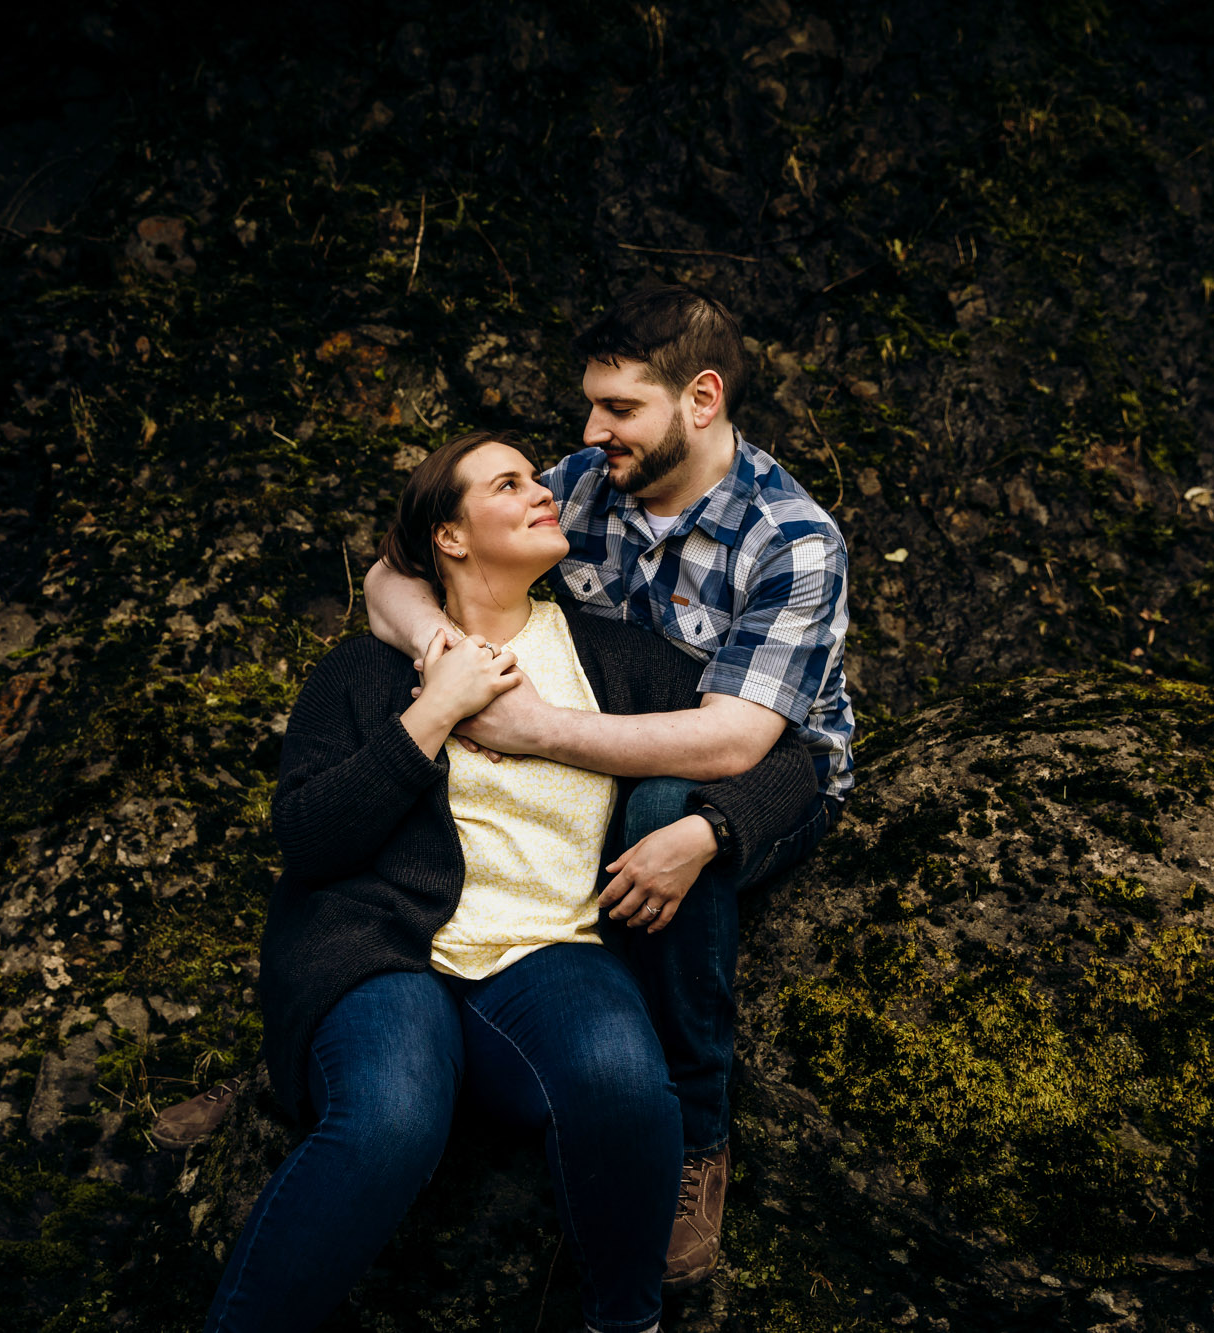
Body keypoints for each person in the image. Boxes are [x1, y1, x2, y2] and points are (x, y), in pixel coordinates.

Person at [200, 431, 817, 1333]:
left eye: (537, 478)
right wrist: (435, 709)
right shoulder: (364, 671)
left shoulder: (613, 658)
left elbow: (785, 759)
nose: (544, 493)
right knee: (388, 1120)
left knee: (623, 1083)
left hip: (547, 950)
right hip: (385, 954)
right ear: (450, 537)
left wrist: (709, 826)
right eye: (509, 484)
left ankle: (625, 1322)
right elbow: (307, 839)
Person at [363, 286, 854, 1287]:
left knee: (665, 812)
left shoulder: (791, 539)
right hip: (591, 756)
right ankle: (319, 1048)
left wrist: (533, 727)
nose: (590, 431)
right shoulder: (584, 486)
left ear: (701, 399)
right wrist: (444, 649)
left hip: (756, 782)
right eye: (588, 405)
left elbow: (735, 742)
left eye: (617, 408)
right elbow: (391, 574)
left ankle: (697, 1133)